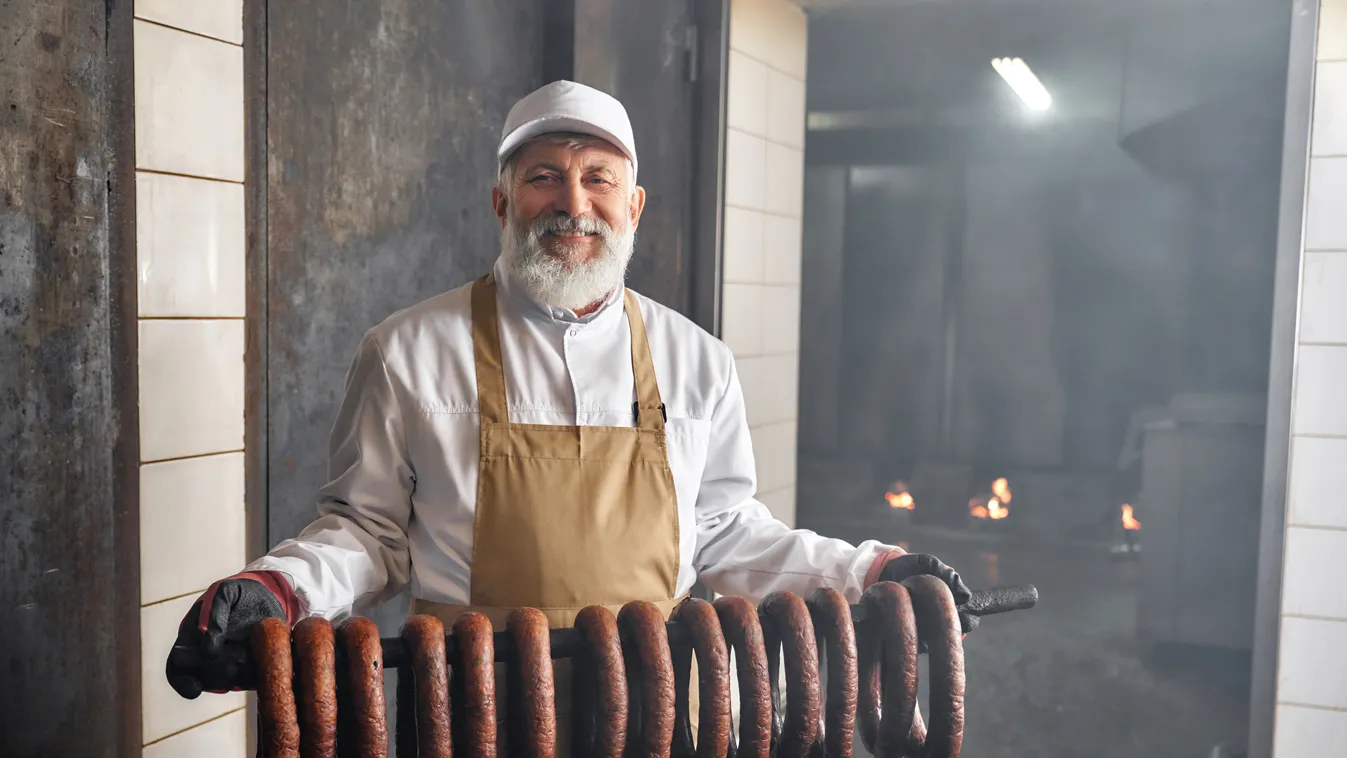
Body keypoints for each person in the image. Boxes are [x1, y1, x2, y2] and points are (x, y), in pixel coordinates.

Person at [167, 80, 972, 721]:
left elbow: (725, 536)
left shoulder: (697, 360)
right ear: (502, 202)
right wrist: (277, 588)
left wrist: (873, 569)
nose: (572, 203)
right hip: (469, 708)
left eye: (598, 180)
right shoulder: (408, 349)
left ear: (632, 206)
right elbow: (368, 533)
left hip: (656, 703)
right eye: (543, 177)